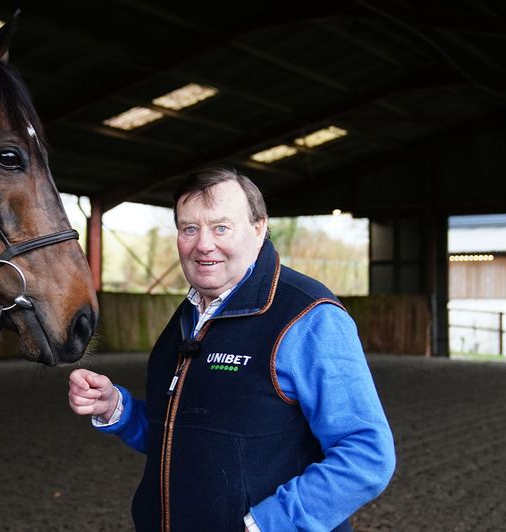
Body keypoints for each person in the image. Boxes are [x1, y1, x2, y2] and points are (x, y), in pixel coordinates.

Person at [68, 168, 395, 531]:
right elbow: (185, 435)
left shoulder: (308, 316)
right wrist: (117, 407)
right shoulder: (187, 318)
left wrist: (267, 523)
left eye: (221, 227)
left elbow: (367, 454)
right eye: (189, 229)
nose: (203, 244)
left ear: (258, 229)